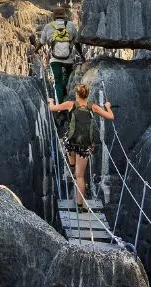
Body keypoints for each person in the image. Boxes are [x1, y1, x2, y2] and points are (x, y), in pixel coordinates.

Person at [48, 83, 114, 211]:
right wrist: (108, 107)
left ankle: (71, 165)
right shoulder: (92, 107)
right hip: (84, 145)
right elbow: (110, 117)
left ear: (77, 94)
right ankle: (80, 205)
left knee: (66, 142)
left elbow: (52, 108)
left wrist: (51, 101)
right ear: (88, 94)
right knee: (80, 176)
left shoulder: (70, 104)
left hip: (71, 142)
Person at [35, 7, 82, 103]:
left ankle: (61, 104)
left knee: (57, 81)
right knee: (67, 78)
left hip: (55, 60)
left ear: (54, 17)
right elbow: (77, 42)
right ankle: (65, 92)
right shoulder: (71, 25)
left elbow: (42, 42)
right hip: (68, 60)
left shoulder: (48, 26)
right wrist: (81, 54)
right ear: (64, 16)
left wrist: (36, 50)